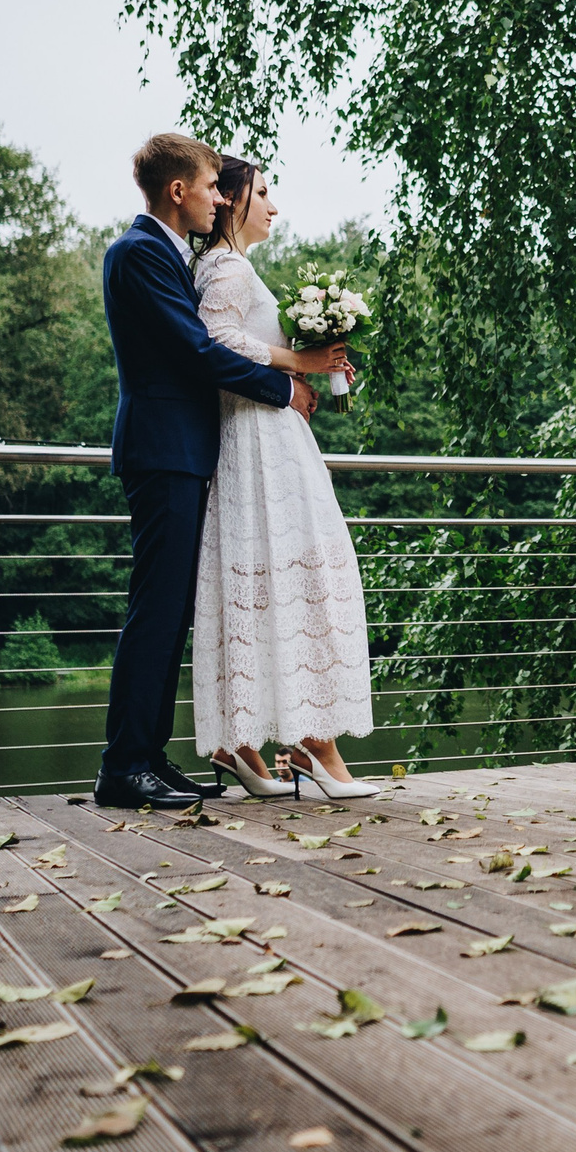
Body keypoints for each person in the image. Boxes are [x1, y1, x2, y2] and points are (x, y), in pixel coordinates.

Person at [94, 131, 316, 811]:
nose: (220, 199)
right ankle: (123, 765)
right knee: (155, 611)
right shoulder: (138, 254)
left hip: (181, 450)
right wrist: (285, 386)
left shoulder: (160, 254)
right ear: (178, 190)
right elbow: (195, 349)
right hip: (163, 449)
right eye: (212, 186)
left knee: (169, 612)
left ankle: (148, 758)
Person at [188, 154, 380, 800]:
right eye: (263, 192)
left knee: (264, 585)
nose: (273, 204)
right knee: (300, 578)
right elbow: (214, 340)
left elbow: (235, 338)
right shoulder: (228, 266)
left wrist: (316, 367)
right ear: (235, 200)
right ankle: (311, 743)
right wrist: (297, 359)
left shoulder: (232, 267)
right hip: (259, 443)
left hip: (262, 434)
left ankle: (241, 740)